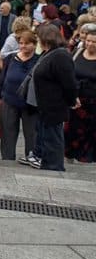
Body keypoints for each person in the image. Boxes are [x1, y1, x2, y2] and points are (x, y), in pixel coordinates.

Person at [33, 24, 79, 171]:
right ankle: (47, 164)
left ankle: (54, 166)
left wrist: (72, 100)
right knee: (47, 137)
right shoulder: (49, 53)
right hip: (45, 105)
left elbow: (69, 83)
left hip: (55, 105)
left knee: (53, 138)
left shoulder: (60, 55)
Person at [0, 30, 40, 163]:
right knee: (8, 130)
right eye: (21, 43)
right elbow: (2, 78)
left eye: (27, 44)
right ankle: (7, 157)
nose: (23, 46)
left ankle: (31, 156)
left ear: (34, 44)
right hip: (9, 99)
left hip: (29, 103)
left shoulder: (38, 60)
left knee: (31, 132)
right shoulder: (10, 58)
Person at [67, 32, 96, 163]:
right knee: (72, 128)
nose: (90, 44)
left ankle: (85, 157)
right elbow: (69, 74)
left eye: (94, 42)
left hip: (92, 102)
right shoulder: (77, 53)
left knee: (90, 130)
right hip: (75, 99)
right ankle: (69, 154)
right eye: (88, 41)